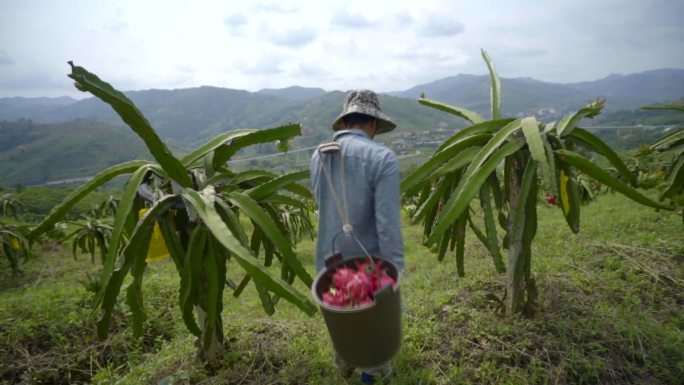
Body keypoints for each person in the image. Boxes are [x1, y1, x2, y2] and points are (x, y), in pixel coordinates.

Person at [310, 89, 404, 383]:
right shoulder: (382, 158)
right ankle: (371, 374)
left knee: (343, 324)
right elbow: (388, 226)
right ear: (374, 124)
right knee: (373, 341)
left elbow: (323, 207)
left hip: (330, 264)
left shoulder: (318, 156)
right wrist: (394, 276)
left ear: (346, 121)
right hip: (370, 270)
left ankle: (344, 362)